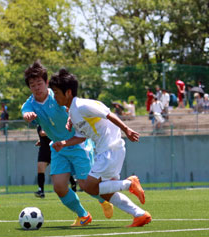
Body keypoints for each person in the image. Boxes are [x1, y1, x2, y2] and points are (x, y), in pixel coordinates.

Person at [49, 68, 151, 227]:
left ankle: (129, 183)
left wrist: (127, 130)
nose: (54, 97)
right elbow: (81, 137)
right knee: (106, 191)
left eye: (56, 93)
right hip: (107, 150)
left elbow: (108, 114)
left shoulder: (82, 105)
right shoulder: (74, 112)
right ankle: (140, 215)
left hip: (110, 149)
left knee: (88, 186)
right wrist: (64, 143)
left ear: (68, 92)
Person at [21, 60, 113, 227]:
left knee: (87, 185)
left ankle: (104, 200)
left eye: (39, 83)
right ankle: (83, 215)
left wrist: (71, 117)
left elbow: (73, 108)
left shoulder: (57, 96)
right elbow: (26, 112)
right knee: (59, 187)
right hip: (58, 148)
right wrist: (27, 116)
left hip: (78, 144)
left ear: (46, 83)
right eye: (32, 85)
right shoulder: (30, 104)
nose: (36, 87)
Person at [34, 125, 77, 198]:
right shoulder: (40, 123)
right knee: (40, 168)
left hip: (54, 148)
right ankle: (41, 190)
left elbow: (43, 133)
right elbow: (42, 134)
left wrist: (49, 133)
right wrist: (41, 141)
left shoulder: (49, 121)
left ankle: (73, 182)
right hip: (44, 150)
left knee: (62, 169)